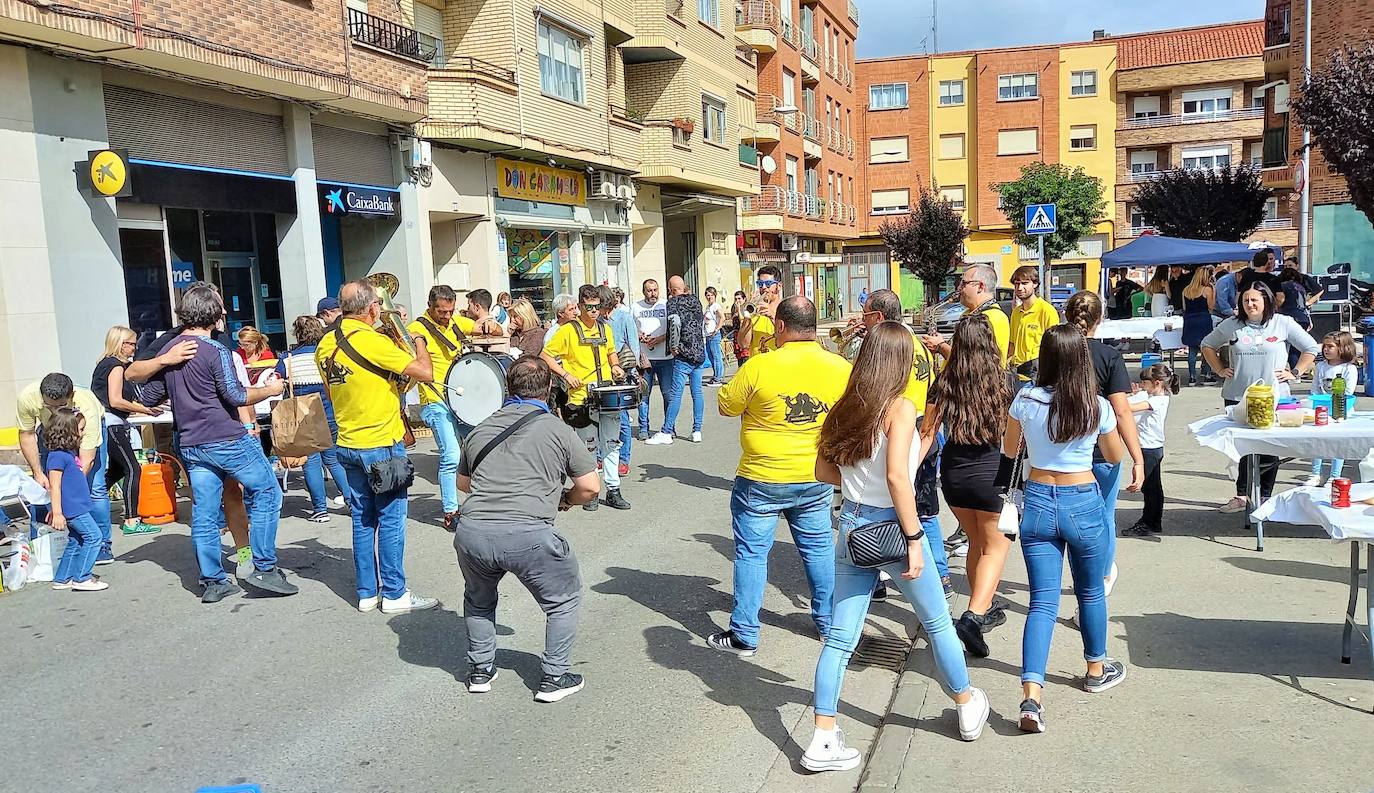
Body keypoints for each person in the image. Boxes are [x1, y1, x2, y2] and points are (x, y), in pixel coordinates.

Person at [806, 322, 989, 771]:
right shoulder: (900, 407)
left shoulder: (846, 407)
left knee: (841, 637)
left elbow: (822, 472)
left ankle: (823, 737)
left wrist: (859, 483)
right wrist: (913, 538)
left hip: (851, 526)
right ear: (901, 362)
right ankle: (966, 703)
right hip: (893, 527)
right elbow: (895, 477)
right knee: (938, 621)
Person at [1002, 324, 1129, 734]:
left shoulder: (1026, 398)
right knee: (1090, 590)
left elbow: (1009, 449)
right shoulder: (1096, 406)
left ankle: (1031, 697)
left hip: (1038, 499)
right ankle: (1095, 668)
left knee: (1042, 601)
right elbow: (1113, 456)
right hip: (1082, 499)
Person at [710, 296, 851, 657]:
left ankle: (744, 633)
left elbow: (726, 406)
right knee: (819, 549)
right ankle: (828, 625)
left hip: (761, 475)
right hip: (815, 475)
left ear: (781, 327)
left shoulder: (760, 366)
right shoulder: (839, 367)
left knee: (752, 554)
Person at [454, 356, 600, 702]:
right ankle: (554, 676)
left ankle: (480, 671)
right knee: (562, 599)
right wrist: (563, 499)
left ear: (507, 388)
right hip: (528, 534)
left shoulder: (479, 429)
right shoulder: (559, 431)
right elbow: (591, 487)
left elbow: (464, 483)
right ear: (549, 389)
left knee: (478, 599)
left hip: (473, 531)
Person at [136, 287, 295, 603]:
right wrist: (271, 389)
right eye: (221, 310)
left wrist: (178, 391)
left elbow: (147, 396)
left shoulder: (171, 350)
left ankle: (212, 580)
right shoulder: (215, 351)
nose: (224, 315)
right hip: (226, 437)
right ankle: (263, 567)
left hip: (192, 441)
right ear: (211, 314)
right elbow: (236, 396)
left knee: (205, 512)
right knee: (267, 491)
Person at [317, 279, 438, 613]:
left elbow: (333, 392)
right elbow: (424, 372)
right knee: (391, 518)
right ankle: (395, 593)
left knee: (362, 520)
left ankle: (367, 593)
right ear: (372, 308)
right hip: (381, 444)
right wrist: (415, 338)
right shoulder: (372, 341)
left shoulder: (325, 345)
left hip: (347, 443)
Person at [916, 314, 1012, 658]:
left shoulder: (945, 382)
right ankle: (974, 615)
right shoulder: (1004, 381)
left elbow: (927, 433)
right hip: (992, 476)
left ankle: (980, 612)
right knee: (997, 548)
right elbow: (1015, 434)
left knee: (976, 543)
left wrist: (909, 470)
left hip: (954, 477)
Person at [861, 289, 950, 597]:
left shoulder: (885, 346)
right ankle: (940, 574)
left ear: (878, 317)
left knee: (877, 505)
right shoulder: (921, 345)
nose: (862, 320)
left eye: (865, 315)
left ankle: (877, 575)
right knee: (923, 506)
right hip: (923, 426)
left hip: (895, 427)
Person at [1202, 283, 1319, 512]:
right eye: (1246, 300)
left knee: (1269, 448)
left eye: (1255, 300)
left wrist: (1294, 372)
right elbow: (1207, 345)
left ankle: (1264, 497)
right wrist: (1218, 369)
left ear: (1266, 300)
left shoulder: (1282, 323)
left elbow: (1311, 347)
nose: (1250, 304)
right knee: (1244, 449)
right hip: (1238, 396)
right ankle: (1242, 495)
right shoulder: (1233, 324)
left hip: (1273, 397)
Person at [1062, 291, 1144, 608]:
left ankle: (1082, 577)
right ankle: (1100, 580)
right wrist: (1137, 458)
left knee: (1069, 519)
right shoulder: (1108, 356)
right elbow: (1122, 411)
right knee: (1104, 516)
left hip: (1063, 449)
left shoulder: (1056, 351)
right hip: (1102, 449)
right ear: (1101, 319)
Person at [541, 284, 631, 511]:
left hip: (607, 394)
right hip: (581, 397)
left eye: (597, 307)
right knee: (588, 446)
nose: (593, 312)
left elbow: (611, 353)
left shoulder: (605, 329)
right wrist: (565, 374)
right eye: (588, 307)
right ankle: (590, 492)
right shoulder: (568, 331)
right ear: (580, 306)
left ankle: (613, 489)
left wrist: (617, 366)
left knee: (611, 443)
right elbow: (545, 356)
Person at [16, 373, 111, 563]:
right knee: (43, 489)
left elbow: (86, 461)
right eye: (48, 405)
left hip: (83, 427)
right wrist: (38, 472)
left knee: (94, 488)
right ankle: (45, 547)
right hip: (51, 430)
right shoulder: (28, 397)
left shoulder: (85, 405)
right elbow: (26, 434)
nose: (53, 410)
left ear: (71, 396)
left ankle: (101, 545)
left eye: (59, 406)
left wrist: (69, 492)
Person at [407, 285, 477, 530]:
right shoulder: (417, 328)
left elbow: (486, 328)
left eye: (450, 311)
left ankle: (479, 505)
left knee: (475, 449)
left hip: (461, 399)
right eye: (441, 312)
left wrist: (489, 323)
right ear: (430, 307)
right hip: (435, 399)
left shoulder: (457, 322)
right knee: (451, 455)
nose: (447, 317)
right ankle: (451, 511)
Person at [274, 315, 351, 522]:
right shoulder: (325, 354)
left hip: (303, 417)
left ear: (297, 334)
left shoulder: (288, 359)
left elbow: (276, 379)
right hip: (329, 413)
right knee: (334, 460)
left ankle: (319, 510)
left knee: (311, 463)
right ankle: (352, 501)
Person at [91, 325, 163, 536]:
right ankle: (132, 520)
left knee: (116, 471)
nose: (134, 347)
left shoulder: (104, 364)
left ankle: (86, 505)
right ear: (119, 344)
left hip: (111, 423)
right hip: (113, 425)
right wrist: (145, 410)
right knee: (133, 469)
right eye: (131, 343)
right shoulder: (115, 366)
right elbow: (115, 400)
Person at [46, 407, 110, 592]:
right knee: (94, 536)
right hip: (74, 508)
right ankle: (82, 577)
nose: (82, 434)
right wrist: (57, 512)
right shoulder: (57, 457)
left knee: (76, 540)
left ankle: (63, 577)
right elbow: (55, 486)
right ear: (68, 431)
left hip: (76, 505)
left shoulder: (67, 454)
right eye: (80, 430)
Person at [1122, 364, 1179, 537]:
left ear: (1156, 383)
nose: (1141, 385)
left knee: (1150, 488)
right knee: (1152, 487)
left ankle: (1150, 522)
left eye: (1144, 382)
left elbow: (1128, 408)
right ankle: (1152, 521)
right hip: (1149, 447)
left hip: (1150, 448)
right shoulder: (1151, 395)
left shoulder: (1157, 401)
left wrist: (1120, 398)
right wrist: (1132, 394)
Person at [648, 276, 706, 445]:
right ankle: (697, 430)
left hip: (683, 353)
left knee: (675, 394)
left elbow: (674, 324)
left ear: (670, 289)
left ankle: (666, 431)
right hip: (699, 353)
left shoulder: (672, 303)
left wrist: (674, 347)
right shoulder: (696, 301)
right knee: (697, 393)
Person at [922, 264, 1010, 363]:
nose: (959, 288)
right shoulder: (969, 313)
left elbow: (971, 363)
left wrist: (940, 346)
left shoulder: (993, 318)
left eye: (964, 283)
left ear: (980, 287)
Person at [1305, 331, 1360, 488]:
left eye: (1331, 346)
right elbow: (1315, 390)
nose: (1326, 350)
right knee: (1317, 443)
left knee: (1337, 444)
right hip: (1321, 411)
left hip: (1341, 412)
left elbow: (1348, 392)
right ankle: (1315, 473)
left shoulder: (1349, 369)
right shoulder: (1320, 366)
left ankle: (1334, 476)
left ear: (1342, 348)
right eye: (1325, 346)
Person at [632, 279, 673, 439]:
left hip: (665, 358)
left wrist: (661, 338)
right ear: (644, 291)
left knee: (668, 394)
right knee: (643, 394)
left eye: (655, 290)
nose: (653, 293)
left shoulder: (666, 305)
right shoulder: (636, 307)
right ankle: (643, 428)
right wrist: (639, 335)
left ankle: (669, 427)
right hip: (645, 358)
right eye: (649, 290)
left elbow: (673, 329)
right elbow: (631, 328)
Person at [1008, 265, 1060, 382]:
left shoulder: (1046, 311)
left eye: (1025, 283)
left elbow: (1054, 346)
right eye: (1016, 284)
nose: (1020, 288)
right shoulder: (1016, 312)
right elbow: (1012, 344)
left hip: (1036, 371)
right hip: (1016, 371)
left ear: (1035, 284)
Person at [737, 265, 784, 360]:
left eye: (768, 283)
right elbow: (743, 344)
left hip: (778, 365)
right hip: (757, 367)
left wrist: (772, 316)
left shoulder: (786, 309)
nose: (763, 287)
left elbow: (790, 339)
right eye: (760, 283)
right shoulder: (756, 312)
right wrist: (747, 318)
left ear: (778, 286)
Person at [1180, 266, 1217, 386]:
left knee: (1192, 350)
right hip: (1203, 320)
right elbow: (1211, 306)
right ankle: (1206, 374)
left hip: (1189, 320)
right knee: (1206, 347)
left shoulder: (1186, 290)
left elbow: (1185, 308)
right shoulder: (1207, 289)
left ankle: (1192, 377)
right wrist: (1214, 290)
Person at [702, 286, 726, 386]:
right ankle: (716, 375)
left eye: (711, 295)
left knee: (716, 356)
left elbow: (722, 317)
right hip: (708, 335)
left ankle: (718, 377)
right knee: (711, 356)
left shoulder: (715, 306)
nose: (709, 297)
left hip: (713, 335)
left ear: (715, 296)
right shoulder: (709, 307)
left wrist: (716, 329)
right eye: (708, 295)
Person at [729, 289, 750, 365]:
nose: (737, 301)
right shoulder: (733, 309)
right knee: (739, 358)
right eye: (735, 299)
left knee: (745, 357)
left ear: (744, 299)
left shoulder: (746, 309)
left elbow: (742, 320)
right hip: (736, 334)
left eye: (739, 298)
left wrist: (738, 309)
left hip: (743, 335)